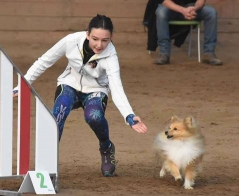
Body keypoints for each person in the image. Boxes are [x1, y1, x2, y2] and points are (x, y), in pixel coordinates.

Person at [13, 14, 148, 177]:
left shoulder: (111, 56)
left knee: (94, 116)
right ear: (87, 34)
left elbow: (116, 87)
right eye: (95, 39)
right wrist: (22, 84)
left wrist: (129, 115)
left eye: (105, 40)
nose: (99, 45)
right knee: (58, 114)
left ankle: (106, 147)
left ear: (111, 38)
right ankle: (47, 166)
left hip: (96, 90)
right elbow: (45, 61)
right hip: (69, 84)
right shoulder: (71, 40)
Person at [155, 0, 223, 65]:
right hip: (172, 8)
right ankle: (164, 53)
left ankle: (209, 52)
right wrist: (183, 10)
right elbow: (165, 2)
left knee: (211, 12)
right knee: (161, 13)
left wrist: (194, 9)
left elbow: (201, 1)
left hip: (193, 8)